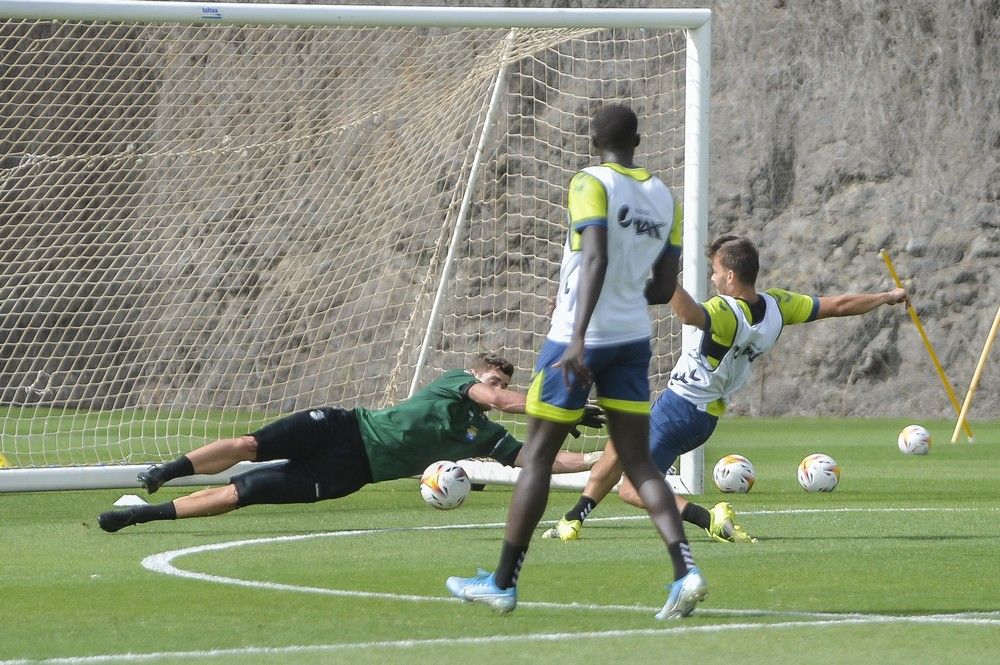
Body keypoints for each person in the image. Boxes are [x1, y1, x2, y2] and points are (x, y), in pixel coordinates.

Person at [446, 103, 706, 620]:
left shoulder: (589, 182)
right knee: (638, 460)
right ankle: (686, 572)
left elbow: (596, 256)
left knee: (537, 456)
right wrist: (610, 295)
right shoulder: (664, 196)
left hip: (576, 339)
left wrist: (579, 333)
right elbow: (660, 287)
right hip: (633, 339)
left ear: (593, 140)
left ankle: (502, 582)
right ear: (639, 139)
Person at [542, 234, 910, 543]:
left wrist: (662, 270)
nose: (714, 279)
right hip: (704, 414)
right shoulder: (778, 305)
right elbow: (840, 304)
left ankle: (710, 519)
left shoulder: (724, 311)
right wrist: (885, 297)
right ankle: (573, 520)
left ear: (731, 275)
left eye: (716, 272)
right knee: (618, 447)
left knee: (632, 489)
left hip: (680, 409)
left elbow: (687, 314)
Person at [96, 352, 603, 533]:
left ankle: (140, 515)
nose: (495, 386)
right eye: (492, 378)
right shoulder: (456, 383)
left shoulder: (483, 434)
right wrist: (562, 408)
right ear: (477, 375)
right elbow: (508, 404)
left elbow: (534, 458)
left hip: (348, 473)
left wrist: (598, 458)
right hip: (342, 426)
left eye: (499, 380)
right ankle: (165, 470)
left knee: (241, 493)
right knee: (250, 443)